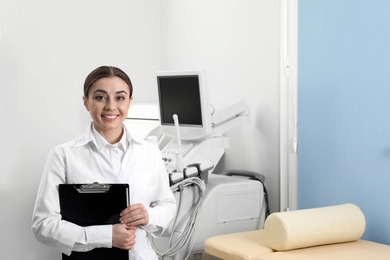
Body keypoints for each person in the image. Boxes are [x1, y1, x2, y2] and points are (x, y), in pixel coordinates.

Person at [31, 66, 176, 259]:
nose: (111, 106)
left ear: (130, 102)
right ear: (86, 102)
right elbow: (43, 225)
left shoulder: (149, 152)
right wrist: (106, 236)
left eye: (120, 97)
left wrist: (149, 215)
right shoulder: (63, 155)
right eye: (100, 97)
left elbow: (167, 204)